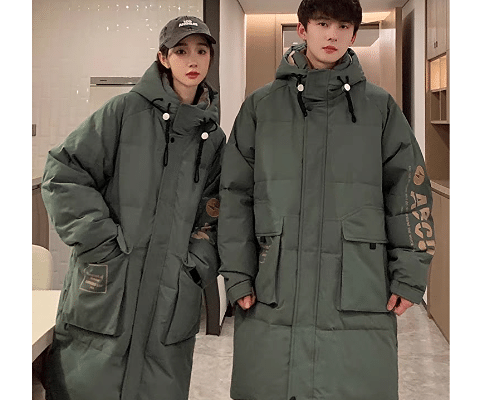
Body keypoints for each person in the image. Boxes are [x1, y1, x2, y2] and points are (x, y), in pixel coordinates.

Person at [218, 0, 436, 398]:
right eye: (322, 23)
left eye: (343, 25)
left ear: (354, 34)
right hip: (274, 283)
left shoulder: (380, 108)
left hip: (358, 286)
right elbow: (235, 195)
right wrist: (236, 271)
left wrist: (410, 274)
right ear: (303, 30)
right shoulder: (261, 106)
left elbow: (409, 192)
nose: (332, 34)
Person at [40, 15, 225, 400]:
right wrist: (101, 242)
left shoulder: (213, 139)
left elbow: (216, 213)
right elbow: (64, 170)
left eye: (201, 51)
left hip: (171, 292)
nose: (193, 59)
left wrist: (194, 267)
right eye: (181, 51)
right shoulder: (124, 112)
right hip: (110, 283)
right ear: (163, 58)